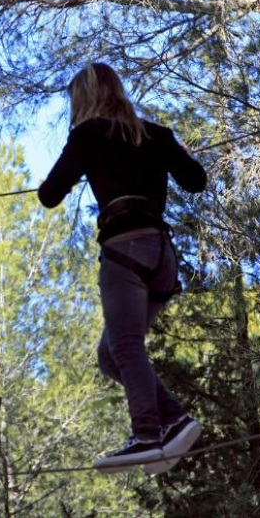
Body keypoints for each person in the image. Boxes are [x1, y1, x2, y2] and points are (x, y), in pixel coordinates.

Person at [38, 62, 206, 475]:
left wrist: (86, 161)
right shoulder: (156, 135)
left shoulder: (88, 135)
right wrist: (166, 151)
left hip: (124, 250)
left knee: (126, 347)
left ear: (85, 100)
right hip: (162, 257)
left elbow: (48, 195)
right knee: (111, 356)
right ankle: (175, 420)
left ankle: (147, 434)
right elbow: (196, 180)